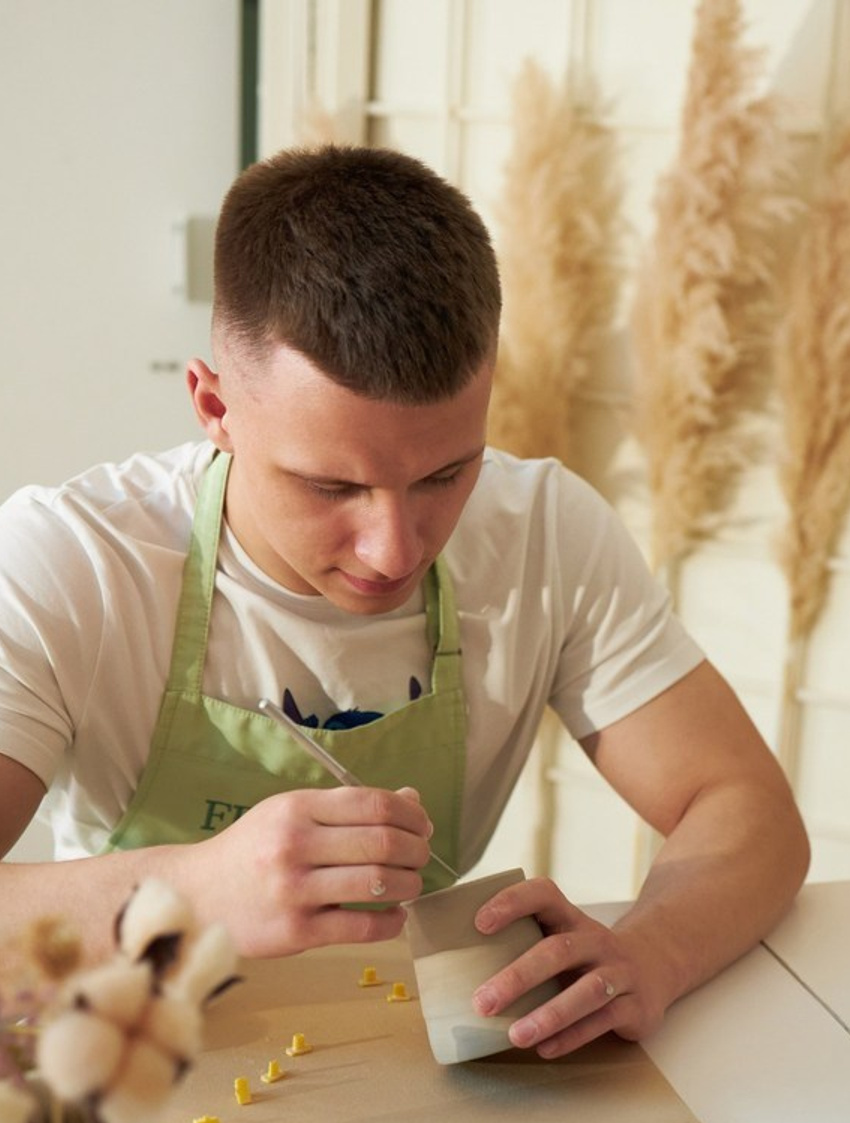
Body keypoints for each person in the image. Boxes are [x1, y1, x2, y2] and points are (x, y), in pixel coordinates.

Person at [0, 144, 809, 1058]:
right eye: (331, 488)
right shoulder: (71, 561)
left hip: (421, 1065)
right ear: (214, 405)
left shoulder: (545, 533)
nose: (395, 550)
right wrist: (188, 895)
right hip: (127, 1068)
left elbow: (750, 808)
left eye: (444, 474)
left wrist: (651, 951)